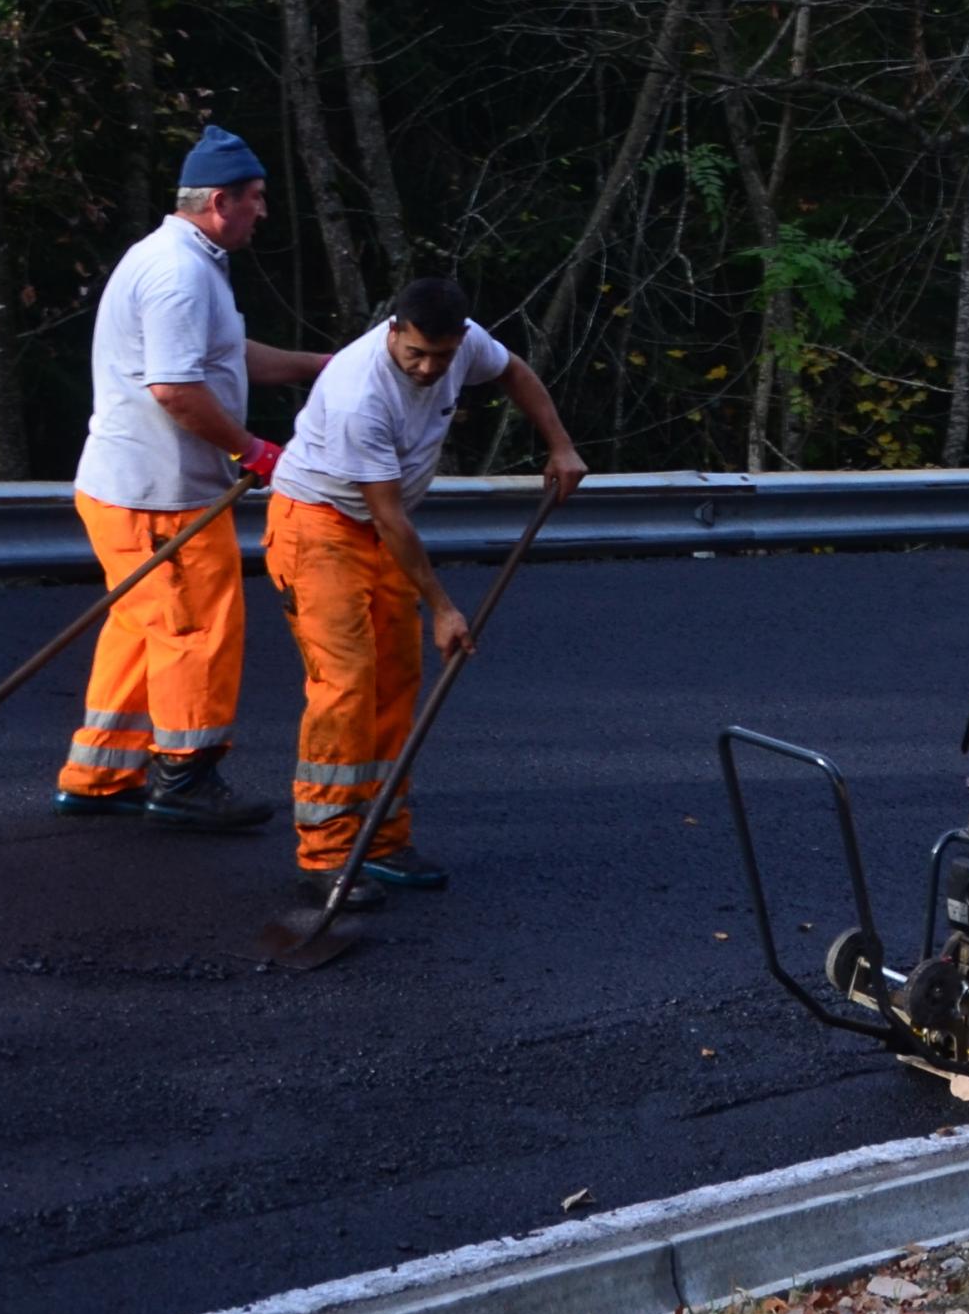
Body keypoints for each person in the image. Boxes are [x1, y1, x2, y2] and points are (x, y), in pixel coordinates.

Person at [265, 272, 586, 904]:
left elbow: (514, 372)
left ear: (459, 337)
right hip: (319, 527)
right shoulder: (359, 392)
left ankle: (381, 837)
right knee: (346, 684)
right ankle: (326, 853)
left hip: (381, 528)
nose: (428, 368)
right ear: (394, 331)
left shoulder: (465, 344)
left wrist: (561, 446)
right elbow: (388, 516)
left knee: (395, 680)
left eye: (441, 355)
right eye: (415, 353)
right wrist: (442, 607)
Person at [56, 125, 331, 830]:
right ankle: (185, 778)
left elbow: (224, 356)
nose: (263, 210)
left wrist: (316, 367)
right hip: (159, 496)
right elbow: (176, 389)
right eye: (255, 197)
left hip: (134, 489)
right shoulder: (179, 274)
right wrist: (252, 450)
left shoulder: (183, 260)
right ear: (219, 201)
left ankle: (100, 772)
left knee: (141, 629)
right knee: (193, 631)